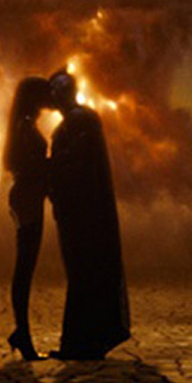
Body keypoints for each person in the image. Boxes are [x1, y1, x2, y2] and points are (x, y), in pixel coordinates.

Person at [44, 67, 131, 360]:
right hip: (76, 214)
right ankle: (80, 343)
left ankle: (83, 344)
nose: (53, 95)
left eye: (57, 89)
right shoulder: (76, 121)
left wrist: (47, 171)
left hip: (85, 216)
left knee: (85, 276)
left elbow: (77, 165)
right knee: (81, 276)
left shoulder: (81, 120)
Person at [3, 75, 54, 361]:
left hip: (26, 195)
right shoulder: (25, 127)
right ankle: (22, 334)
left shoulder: (22, 125)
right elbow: (33, 166)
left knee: (25, 266)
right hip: (28, 197)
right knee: (25, 267)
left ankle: (21, 332)